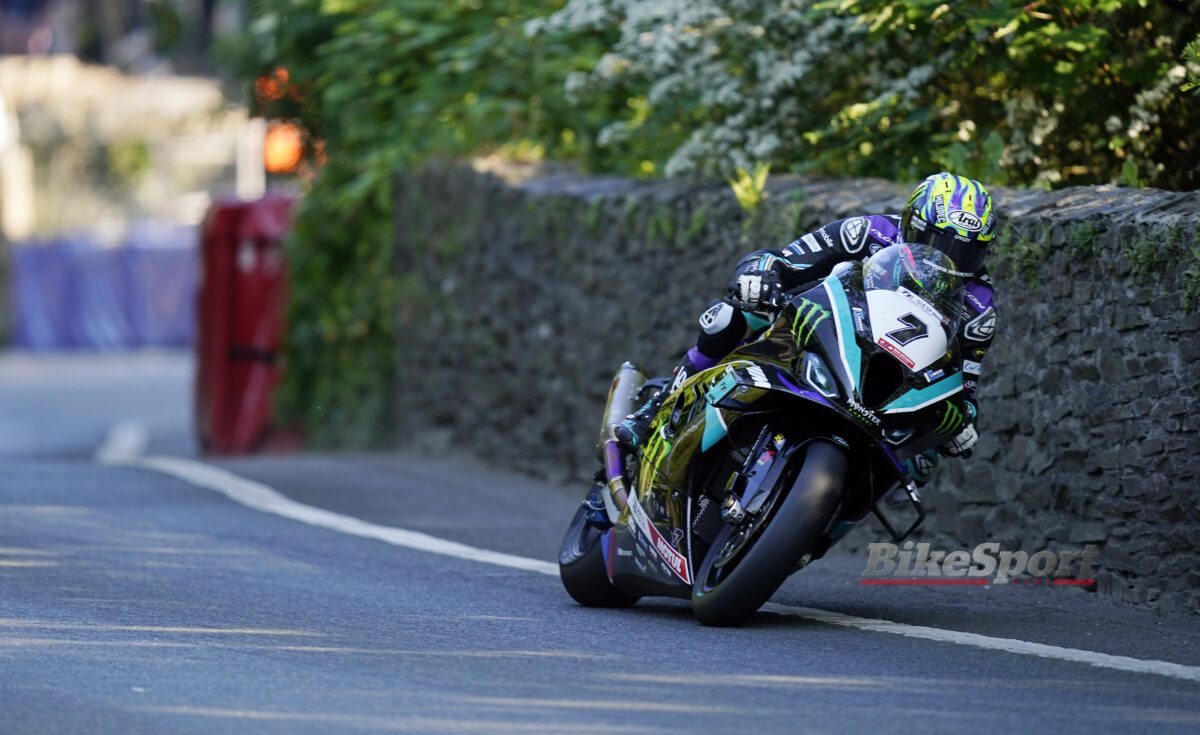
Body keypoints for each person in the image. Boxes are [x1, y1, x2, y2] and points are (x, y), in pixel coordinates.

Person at [615, 171, 999, 484]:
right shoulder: (869, 233)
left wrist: (963, 420)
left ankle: (815, 531)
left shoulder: (980, 306)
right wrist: (761, 273)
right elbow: (783, 259)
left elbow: (963, 383)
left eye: (967, 251)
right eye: (939, 243)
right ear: (912, 225)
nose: (949, 260)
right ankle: (656, 407)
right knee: (732, 316)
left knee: (923, 461)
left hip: (888, 384)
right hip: (818, 332)